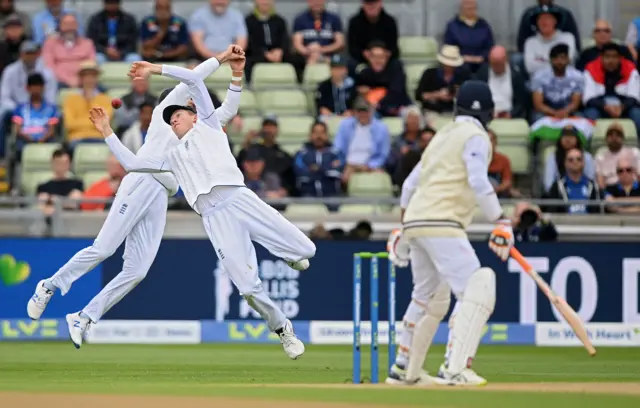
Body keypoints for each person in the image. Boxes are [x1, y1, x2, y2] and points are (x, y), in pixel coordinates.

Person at [96, 56, 316, 360]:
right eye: (169, 119)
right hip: (214, 217)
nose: (173, 119)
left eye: (178, 114)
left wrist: (157, 69)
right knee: (248, 289)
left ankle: (293, 256)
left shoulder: (210, 125)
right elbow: (132, 163)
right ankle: (284, 331)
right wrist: (107, 131)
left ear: (194, 115)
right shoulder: (168, 155)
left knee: (308, 250)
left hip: (240, 199)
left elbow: (194, 79)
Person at [26, 47, 243, 349]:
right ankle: (49, 286)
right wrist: (220, 57)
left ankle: (84, 317)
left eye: (188, 107)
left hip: (160, 195)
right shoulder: (164, 114)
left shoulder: (200, 128)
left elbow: (229, 110)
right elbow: (194, 77)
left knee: (137, 271)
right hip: (140, 182)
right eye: (182, 104)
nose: (186, 107)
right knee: (103, 248)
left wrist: (237, 74)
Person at [385, 80, 510, 386]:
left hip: (417, 220)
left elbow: (410, 185)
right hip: (443, 222)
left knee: (427, 296)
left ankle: (404, 368)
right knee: (478, 287)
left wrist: (406, 225)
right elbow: (478, 180)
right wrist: (501, 220)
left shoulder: (441, 136)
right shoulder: (477, 136)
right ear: (489, 112)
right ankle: (456, 367)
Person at [582, 43, 640, 136]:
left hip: (624, 107)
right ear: (601, 57)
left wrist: (622, 107)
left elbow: (634, 96)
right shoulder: (591, 69)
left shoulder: (631, 69)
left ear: (620, 58)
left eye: (614, 57)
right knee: (591, 114)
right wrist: (606, 107)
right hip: (600, 107)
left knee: (637, 114)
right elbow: (588, 98)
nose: (611, 60)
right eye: (607, 56)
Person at [333, 97, 390, 183]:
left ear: (371, 111)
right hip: (347, 164)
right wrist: (342, 162)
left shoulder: (381, 128)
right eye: (360, 111)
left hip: (370, 164)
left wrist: (370, 166)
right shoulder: (345, 125)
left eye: (365, 111)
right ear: (355, 112)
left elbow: (383, 154)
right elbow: (338, 147)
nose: (363, 114)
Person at [355, 40, 411, 117]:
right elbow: (358, 91)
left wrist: (379, 103)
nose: (377, 60)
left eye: (381, 57)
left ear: (387, 56)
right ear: (368, 57)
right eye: (374, 56)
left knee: (413, 114)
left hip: (400, 106)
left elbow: (396, 92)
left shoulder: (396, 69)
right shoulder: (365, 74)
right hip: (375, 109)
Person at [530, 43, 583, 122]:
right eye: (555, 58)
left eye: (563, 58)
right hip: (546, 110)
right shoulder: (539, 76)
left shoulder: (577, 76)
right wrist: (555, 113)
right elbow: (538, 105)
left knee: (581, 117)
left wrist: (564, 112)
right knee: (537, 118)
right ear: (550, 60)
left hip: (569, 110)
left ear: (568, 59)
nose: (559, 62)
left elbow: (575, 103)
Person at [41, 13, 96, 88]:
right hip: (59, 80)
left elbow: (91, 64)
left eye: (72, 23)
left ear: (77, 26)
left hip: (83, 80)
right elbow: (49, 66)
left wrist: (79, 79)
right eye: (66, 24)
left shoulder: (87, 43)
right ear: (60, 26)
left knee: (103, 91)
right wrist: (67, 80)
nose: (69, 27)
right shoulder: (50, 43)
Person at [474, 45, 529, 119]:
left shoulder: (516, 75)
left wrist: (511, 114)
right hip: (487, 115)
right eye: (493, 64)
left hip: (509, 116)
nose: (495, 67)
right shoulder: (482, 73)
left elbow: (521, 102)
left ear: (506, 61)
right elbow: (477, 98)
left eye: (498, 64)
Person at [11, 73, 59, 157]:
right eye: (33, 86)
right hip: (25, 140)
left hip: (45, 140)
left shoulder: (52, 108)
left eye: (38, 86)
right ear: (27, 88)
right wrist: (30, 139)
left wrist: (41, 140)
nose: (36, 89)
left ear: (43, 88)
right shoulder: (20, 108)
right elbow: (18, 130)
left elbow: (52, 130)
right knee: (18, 146)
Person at [294, 120, 344, 198]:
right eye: (316, 133)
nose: (319, 136)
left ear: (327, 135)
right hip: (308, 194)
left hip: (331, 193)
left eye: (322, 132)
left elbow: (337, 172)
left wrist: (317, 169)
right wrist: (327, 169)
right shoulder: (301, 153)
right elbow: (301, 173)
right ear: (310, 135)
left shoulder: (336, 153)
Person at [415, 45, 471, 114]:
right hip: (432, 110)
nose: (449, 66)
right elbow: (419, 96)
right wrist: (437, 95)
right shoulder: (430, 73)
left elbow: (470, 96)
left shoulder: (463, 75)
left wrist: (457, 93)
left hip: (456, 111)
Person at [523, 5, 576, 77]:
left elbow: (568, 62)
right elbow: (529, 68)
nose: (543, 22)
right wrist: (555, 62)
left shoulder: (567, 38)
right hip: (539, 81)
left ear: (555, 21)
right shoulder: (530, 42)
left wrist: (542, 61)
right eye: (540, 19)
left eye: (547, 18)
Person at [544, 147, 601, 214]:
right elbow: (552, 212)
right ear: (565, 163)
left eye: (578, 159)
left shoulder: (592, 185)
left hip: (588, 223)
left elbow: (597, 211)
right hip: (564, 223)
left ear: (583, 163)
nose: (575, 162)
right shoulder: (557, 186)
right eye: (570, 160)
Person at [443, 0, 494, 72]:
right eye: (466, 5)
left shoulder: (484, 26)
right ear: (461, 7)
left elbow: (490, 47)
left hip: (481, 62)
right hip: (459, 63)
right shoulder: (452, 25)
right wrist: (462, 57)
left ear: (476, 7)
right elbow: (448, 48)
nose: (469, 7)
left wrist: (482, 57)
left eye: (472, 5)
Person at [88, 0, 141, 64]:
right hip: (102, 53)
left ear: (119, 4)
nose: (112, 6)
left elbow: (133, 42)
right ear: (104, 4)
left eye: (114, 3)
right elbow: (91, 41)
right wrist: (105, 50)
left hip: (124, 53)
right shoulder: (95, 20)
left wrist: (121, 52)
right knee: (98, 58)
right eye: (109, 3)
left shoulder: (129, 19)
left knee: (134, 58)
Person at [544, 126, 595, 192]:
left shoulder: (586, 156)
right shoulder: (553, 157)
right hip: (559, 194)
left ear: (577, 139)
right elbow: (548, 183)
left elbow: (590, 178)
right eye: (565, 136)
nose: (567, 139)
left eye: (571, 136)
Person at [347, 0, 398, 65]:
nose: (371, 6)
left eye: (374, 3)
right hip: (362, 60)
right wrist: (364, 54)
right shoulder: (354, 22)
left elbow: (393, 47)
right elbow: (352, 48)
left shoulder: (390, 22)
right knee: (351, 64)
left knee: (397, 64)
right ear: (363, 5)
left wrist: (384, 54)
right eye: (368, 4)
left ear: (380, 3)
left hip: (385, 61)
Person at [292, 0, 344, 64]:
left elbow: (340, 43)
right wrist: (309, 52)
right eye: (313, 1)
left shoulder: (334, 19)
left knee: (341, 61)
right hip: (306, 57)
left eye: (319, 0)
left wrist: (321, 50)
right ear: (309, 1)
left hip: (329, 56)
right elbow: (297, 44)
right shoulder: (300, 19)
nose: (316, 3)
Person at [35, 148, 83, 214]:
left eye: (65, 163)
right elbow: (42, 208)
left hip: (72, 220)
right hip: (51, 222)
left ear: (69, 164)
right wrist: (65, 202)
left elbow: (74, 203)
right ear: (52, 163)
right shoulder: (43, 187)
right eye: (59, 163)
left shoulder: (77, 184)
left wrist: (53, 201)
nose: (62, 166)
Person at [595, 122, 640, 189]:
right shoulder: (600, 157)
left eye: (618, 135)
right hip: (611, 192)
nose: (614, 138)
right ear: (606, 139)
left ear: (623, 138)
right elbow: (600, 183)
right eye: (611, 135)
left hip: (633, 190)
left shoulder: (634, 152)